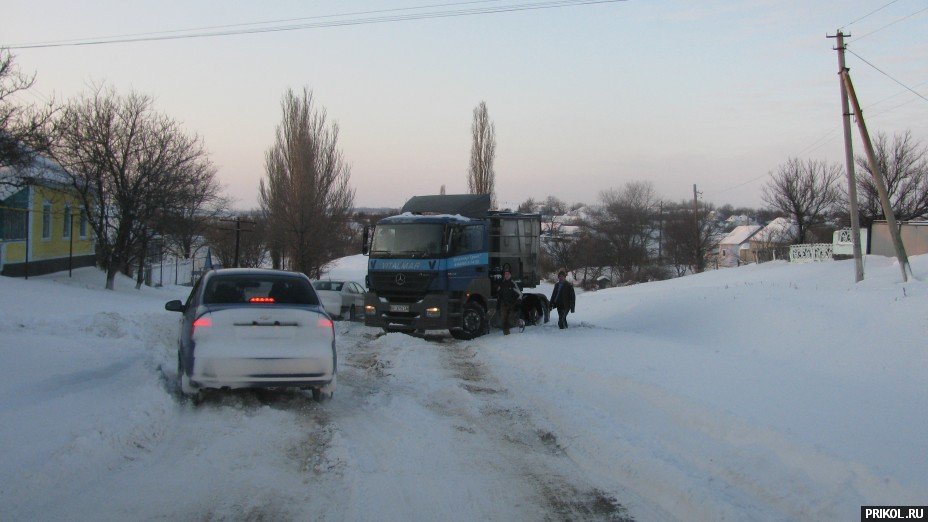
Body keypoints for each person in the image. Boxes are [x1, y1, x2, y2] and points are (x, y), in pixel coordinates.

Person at [498, 269, 522, 335]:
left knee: (511, 321)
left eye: (508, 274)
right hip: (504, 304)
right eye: (505, 274)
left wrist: (518, 304)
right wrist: (498, 304)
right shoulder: (502, 283)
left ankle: (520, 322)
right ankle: (506, 335)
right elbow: (499, 294)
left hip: (512, 304)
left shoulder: (513, 283)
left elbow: (520, 294)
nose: (506, 275)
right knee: (503, 320)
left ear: (510, 275)